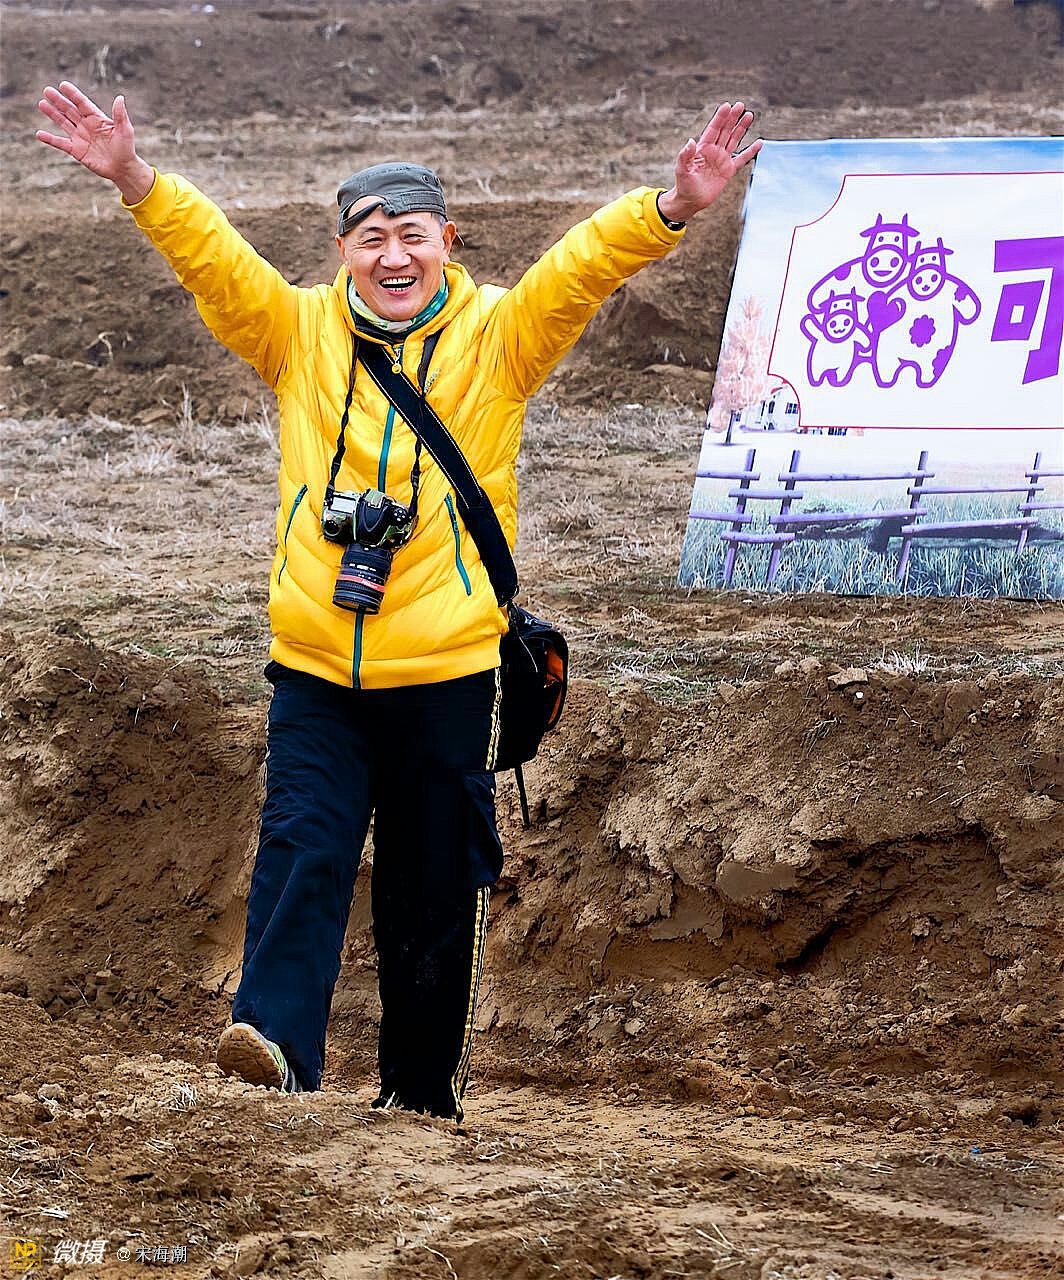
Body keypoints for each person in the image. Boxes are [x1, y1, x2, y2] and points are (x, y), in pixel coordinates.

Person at [36, 81, 761, 1119]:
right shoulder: (296, 334)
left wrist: (672, 207)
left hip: (450, 669)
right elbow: (214, 262)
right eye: (370, 238)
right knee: (302, 848)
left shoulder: (500, 338)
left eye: (411, 235)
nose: (392, 256)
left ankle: (421, 1097)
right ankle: (275, 1049)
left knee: (434, 883)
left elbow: (578, 269)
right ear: (341, 251)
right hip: (317, 668)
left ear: (446, 243)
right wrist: (137, 181)